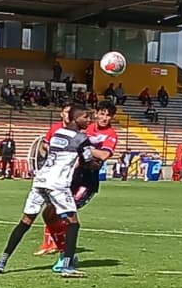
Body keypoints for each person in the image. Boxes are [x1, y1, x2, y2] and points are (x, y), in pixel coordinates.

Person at [0, 104, 94, 278]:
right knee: (73, 222)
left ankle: (2, 261)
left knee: (26, 221)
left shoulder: (57, 133)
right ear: (76, 118)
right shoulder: (81, 138)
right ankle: (67, 266)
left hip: (40, 180)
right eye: (86, 117)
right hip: (58, 183)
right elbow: (87, 161)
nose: (89, 120)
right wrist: (96, 162)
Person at [34, 101, 119, 267]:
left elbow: (102, 155)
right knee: (48, 214)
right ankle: (64, 252)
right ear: (96, 113)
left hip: (86, 182)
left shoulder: (111, 135)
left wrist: (83, 148)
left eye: (108, 115)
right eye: (102, 114)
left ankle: (65, 258)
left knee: (65, 215)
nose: (104, 118)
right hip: (69, 178)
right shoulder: (85, 128)